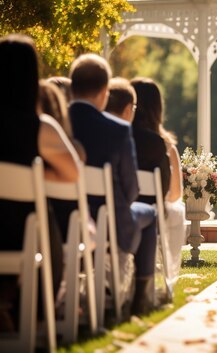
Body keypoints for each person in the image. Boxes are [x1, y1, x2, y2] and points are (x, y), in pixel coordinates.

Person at [0, 34, 79, 330]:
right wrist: (35, 175)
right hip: (24, 237)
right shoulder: (41, 128)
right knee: (40, 220)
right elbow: (72, 174)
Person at [68, 55, 157, 315]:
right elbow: (131, 190)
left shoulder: (56, 123)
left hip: (66, 221)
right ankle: (140, 296)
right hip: (112, 224)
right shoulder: (117, 129)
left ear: (73, 87)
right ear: (105, 92)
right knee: (149, 214)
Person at [130, 77, 186, 287]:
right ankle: (166, 278)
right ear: (158, 108)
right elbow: (174, 195)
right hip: (154, 214)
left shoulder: (119, 140)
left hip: (119, 210)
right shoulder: (165, 147)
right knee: (176, 211)